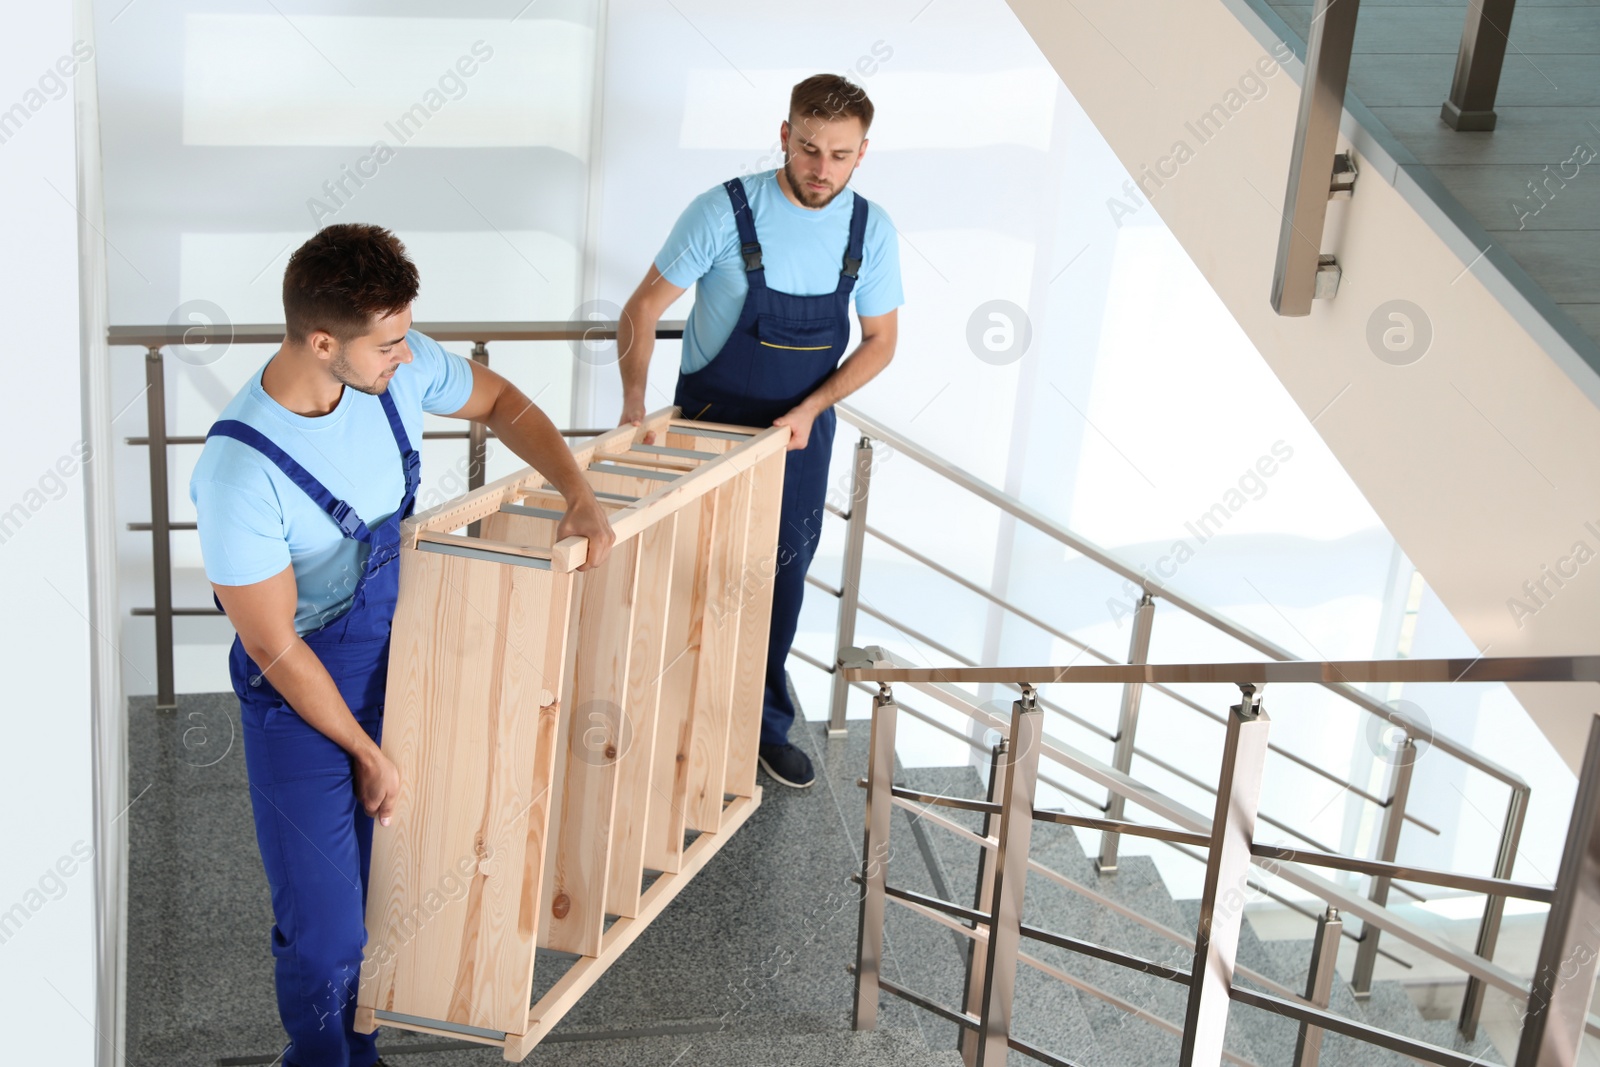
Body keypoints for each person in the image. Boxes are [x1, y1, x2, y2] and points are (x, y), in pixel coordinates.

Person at [190, 223, 614, 1067]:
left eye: (404, 334)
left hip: (402, 655)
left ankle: (363, 1050)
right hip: (303, 695)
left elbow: (502, 401)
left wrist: (578, 490)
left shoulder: (397, 362)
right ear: (322, 342)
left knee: (394, 890)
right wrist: (363, 749)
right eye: (386, 343)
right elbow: (274, 647)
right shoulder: (242, 470)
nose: (406, 354)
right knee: (324, 930)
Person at [616, 74, 903, 789]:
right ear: (785, 136)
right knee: (685, 573)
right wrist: (631, 404)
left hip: (798, 438)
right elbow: (641, 309)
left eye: (839, 155)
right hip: (707, 424)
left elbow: (880, 342)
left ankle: (760, 726)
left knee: (780, 583)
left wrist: (811, 409)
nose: (821, 169)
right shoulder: (723, 210)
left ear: (862, 152)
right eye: (809, 149)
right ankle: (657, 719)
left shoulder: (871, 230)